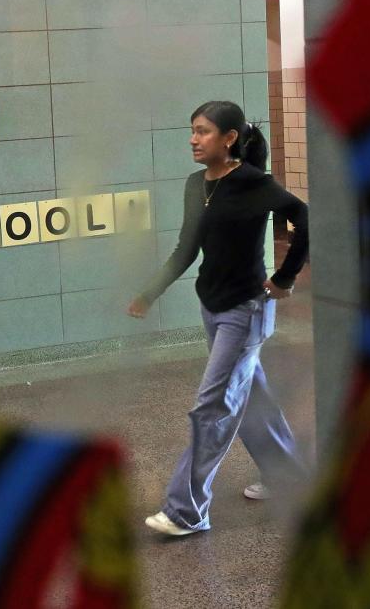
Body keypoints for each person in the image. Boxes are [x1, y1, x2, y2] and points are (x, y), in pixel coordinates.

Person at [127, 100, 309, 536]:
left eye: (204, 131)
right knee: (251, 398)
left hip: (245, 311)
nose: (193, 138)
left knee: (212, 405)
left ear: (229, 139)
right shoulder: (197, 184)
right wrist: (149, 293)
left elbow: (302, 216)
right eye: (192, 130)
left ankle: (186, 511)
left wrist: (285, 278)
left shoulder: (253, 183)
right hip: (213, 306)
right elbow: (187, 248)